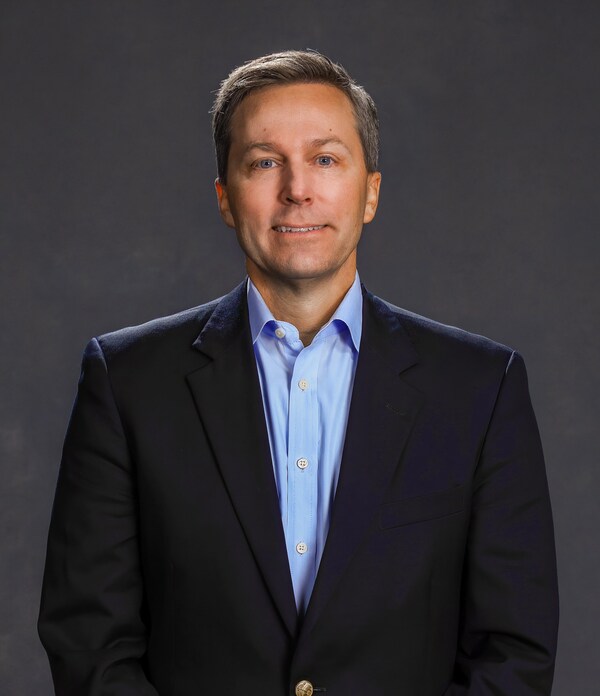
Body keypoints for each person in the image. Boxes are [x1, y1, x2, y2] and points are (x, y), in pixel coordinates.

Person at [39, 50, 559, 696]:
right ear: (225, 198)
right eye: (264, 162)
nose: (297, 189)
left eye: (326, 159)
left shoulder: (481, 388)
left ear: (371, 192)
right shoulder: (127, 383)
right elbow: (90, 642)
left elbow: (512, 654)